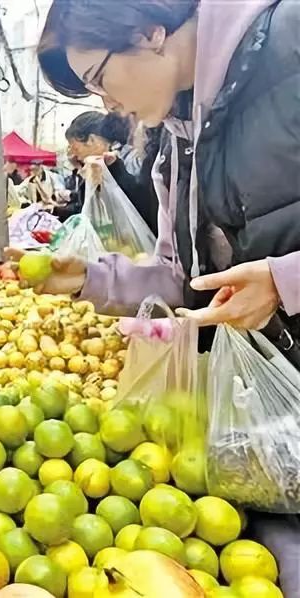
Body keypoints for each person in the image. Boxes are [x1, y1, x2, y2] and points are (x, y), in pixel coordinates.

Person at [34, 0, 300, 361]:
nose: (106, 104)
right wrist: (89, 279)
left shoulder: (291, 40)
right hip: (277, 381)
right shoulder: (179, 136)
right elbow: (186, 279)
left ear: (148, 32)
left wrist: (285, 281)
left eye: (98, 78)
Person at [64, 111, 159, 234]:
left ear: (92, 140)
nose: (73, 154)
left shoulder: (130, 159)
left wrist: (115, 168)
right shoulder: (97, 168)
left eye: (75, 148)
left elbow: (142, 203)